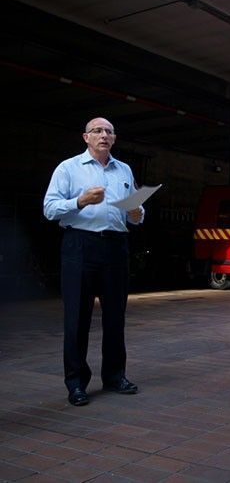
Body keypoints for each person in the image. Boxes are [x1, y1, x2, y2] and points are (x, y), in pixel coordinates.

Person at [44, 117, 143, 406]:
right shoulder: (68, 168)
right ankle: (76, 383)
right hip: (80, 246)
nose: (104, 135)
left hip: (115, 247)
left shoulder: (123, 169)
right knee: (77, 317)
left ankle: (114, 376)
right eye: (97, 131)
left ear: (114, 139)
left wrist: (136, 214)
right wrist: (80, 201)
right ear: (85, 137)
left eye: (109, 131)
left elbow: (134, 210)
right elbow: (49, 208)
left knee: (116, 316)